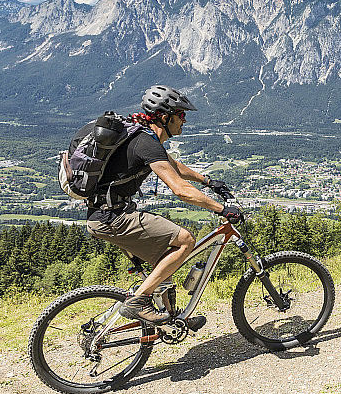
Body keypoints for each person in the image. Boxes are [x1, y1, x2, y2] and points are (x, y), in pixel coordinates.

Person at [84, 85, 243, 327]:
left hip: (106, 214)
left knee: (167, 264)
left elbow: (173, 166)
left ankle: (172, 320)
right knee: (186, 241)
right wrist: (221, 209)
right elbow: (180, 190)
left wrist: (208, 181)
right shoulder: (145, 143)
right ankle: (138, 301)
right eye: (181, 115)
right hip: (113, 218)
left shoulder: (143, 137)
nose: (185, 120)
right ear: (165, 117)